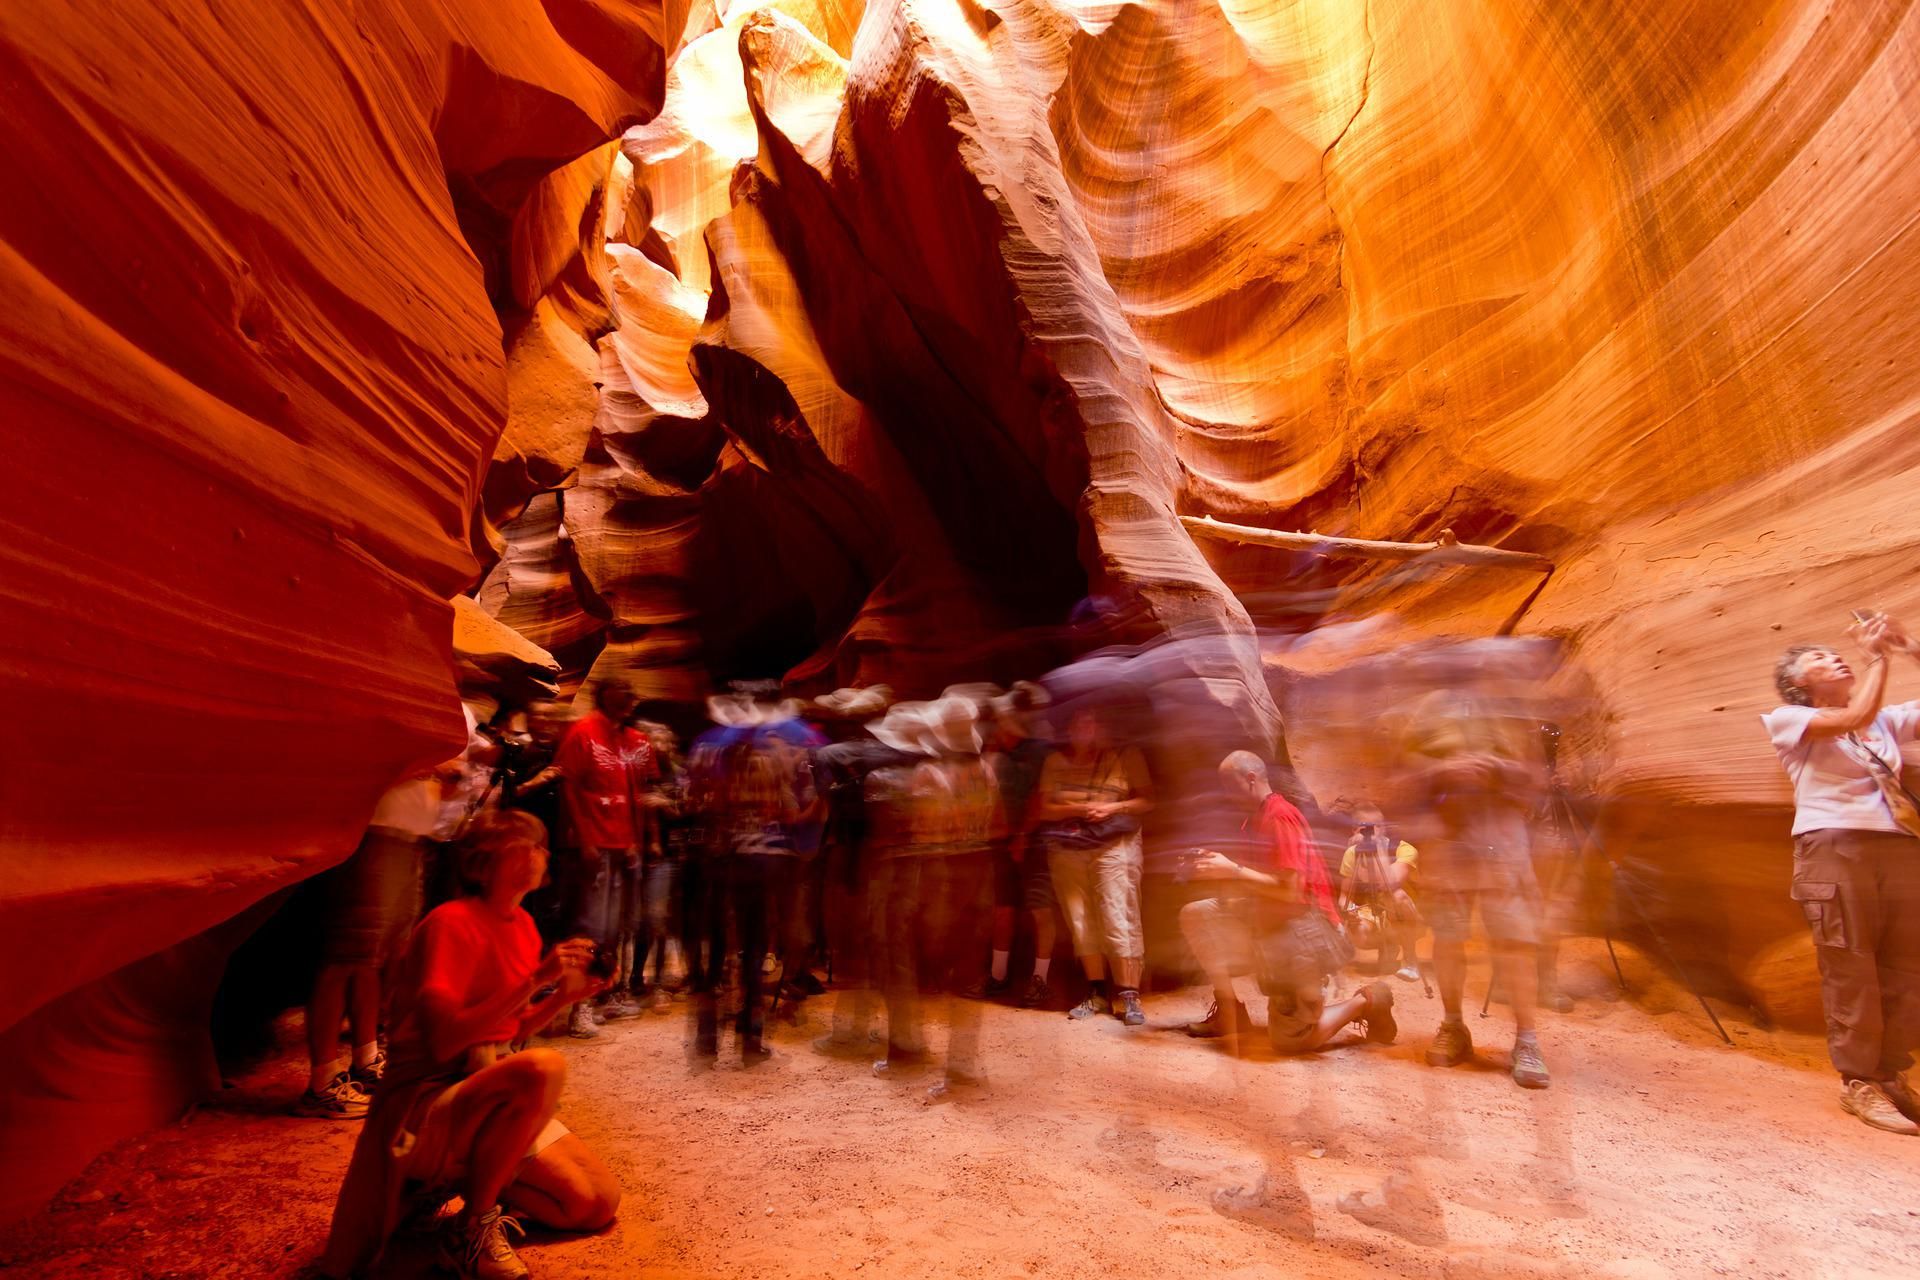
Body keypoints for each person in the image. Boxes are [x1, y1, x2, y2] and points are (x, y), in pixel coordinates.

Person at [319, 810, 621, 1280]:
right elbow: (445, 1043)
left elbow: (507, 1031)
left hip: (478, 1090)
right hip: (421, 1102)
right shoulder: (451, 923)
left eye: (539, 845)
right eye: (525, 844)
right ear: (484, 863)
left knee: (595, 1204)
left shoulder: (522, 924)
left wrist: (564, 995)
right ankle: (472, 1230)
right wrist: (535, 979)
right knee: (542, 1069)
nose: (539, 854)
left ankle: (452, 1194)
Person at [1763, 612, 1920, 1134]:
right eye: (1818, 657)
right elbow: (1850, 721)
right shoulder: (1787, 718)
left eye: (1837, 652)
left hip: (1899, 843)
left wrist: (1906, 644)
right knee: (1851, 964)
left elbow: (1867, 715)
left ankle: (1890, 1075)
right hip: (1833, 843)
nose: (1834, 657)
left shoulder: (1887, 720)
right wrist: (1878, 658)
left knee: (1904, 967)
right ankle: (1860, 1083)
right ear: (1797, 685)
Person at [1180, 751, 1394, 1056]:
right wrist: (1211, 867)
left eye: (1229, 785)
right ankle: (1230, 1013)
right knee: (1199, 914)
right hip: (1272, 918)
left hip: (1306, 927)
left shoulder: (1280, 817)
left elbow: (1291, 892)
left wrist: (1232, 870)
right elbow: (1259, 881)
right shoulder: (1253, 819)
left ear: (1251, 779)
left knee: (1290, 1040)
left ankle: (1368, 1000)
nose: (1225, 794)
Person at [1402, 688, 1552, 1089]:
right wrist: (1442, 773)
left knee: (1513, 941)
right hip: (1451, 843)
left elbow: (1537, 778)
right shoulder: (1430, 705)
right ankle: (1453, 1027)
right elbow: (1403, 776)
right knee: (1447, 937)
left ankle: (1527, 1040)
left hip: (1502, 840)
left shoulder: (1508, 705)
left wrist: (1498, 770)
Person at [297, 768, 442, 1117]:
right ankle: (322, 1084)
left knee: (375, 957)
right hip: (372, 832)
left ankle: (366, 1058)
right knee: (345, 955)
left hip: (409, 837)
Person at [1031, 705, 1154, 1024]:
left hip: (1115, 846)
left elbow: (1147, 800)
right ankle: (1096, 992)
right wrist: (1083, 807)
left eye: (1091, 723)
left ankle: (1129, 995)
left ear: (1102, 727)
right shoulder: (1055, 762)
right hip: (1069, 848)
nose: (1084, 729)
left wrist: (1112, 807)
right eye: (1078, 722)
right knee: (1080, 919)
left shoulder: (1126, 756)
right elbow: (1044, 809)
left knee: (1118, 914)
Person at [555, 679, 658, 1037]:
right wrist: (584, 839)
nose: (632, 700)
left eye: (634, 694)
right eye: (624, 693)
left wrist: (640, 840)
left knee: (615, 928)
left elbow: (639, 793)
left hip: (623, 845)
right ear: (605, 695)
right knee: (591, 928)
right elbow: (568, 785)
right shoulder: (584, 731)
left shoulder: (630, 739)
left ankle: (603, 995)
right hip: (596, 843)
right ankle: (576, 1007)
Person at [980, 683, 1051, 999]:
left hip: (1034, 842)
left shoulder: (1037, 752)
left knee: (1040, 909)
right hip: (1003, 842)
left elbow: (1040, 797)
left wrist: (1022, 836)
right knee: (1003, 909)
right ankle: (998, 976)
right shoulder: (998, 752)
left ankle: (1040, 978)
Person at [1337, 806, 1421, 983]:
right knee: (1358, 932)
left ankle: (1410, 960)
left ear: (1384, 828)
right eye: (1364, 828)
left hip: (1406, 915)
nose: (1370, 833)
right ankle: (1388, 945)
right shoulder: (1352, 854)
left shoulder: (1403, 849)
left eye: (1376, 827)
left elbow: (1389, 884)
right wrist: (1349, 911)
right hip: (1372, 911)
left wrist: (1378, 848)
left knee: (1397, 896)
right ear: (1354, 830)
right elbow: (1344, 895)